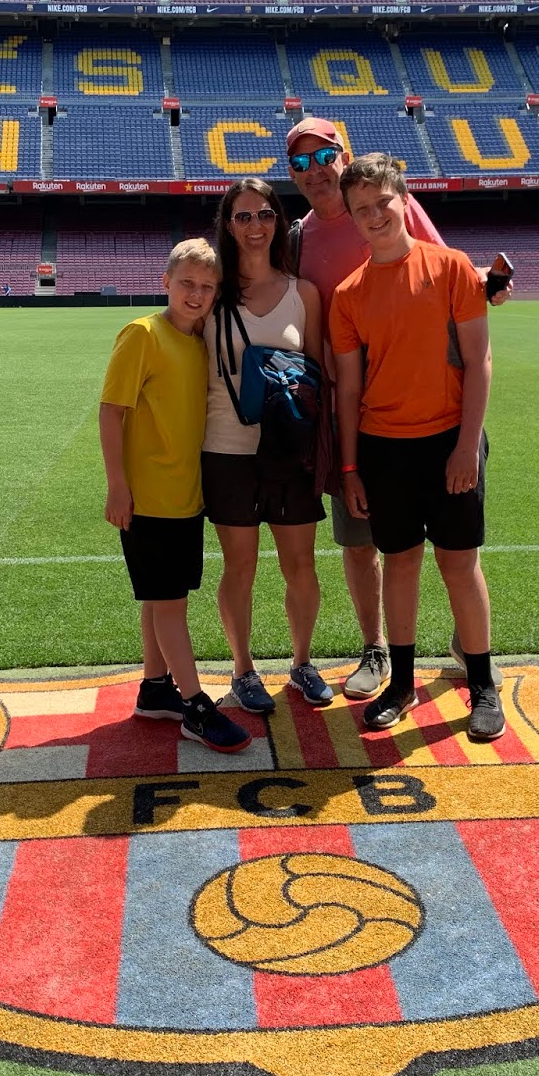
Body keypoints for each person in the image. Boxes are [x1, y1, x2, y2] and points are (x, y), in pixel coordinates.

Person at [328, 154, 502, 741]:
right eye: (361, 208)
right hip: (383, 449)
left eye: (383, 201)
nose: (374, 215)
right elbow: (348, 388)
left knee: (459, 563)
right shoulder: (349, 294)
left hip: (450, 439)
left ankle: (482, 684)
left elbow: (478, 361)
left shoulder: (451, 268)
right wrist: (350, 467)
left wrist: (465, 446)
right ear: (351, 216)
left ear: (404, 200)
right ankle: (401, 684)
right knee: (400, 563)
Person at [99, 238, 250, 753]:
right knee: (170, 605)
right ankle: (195, 706)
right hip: (148, 500)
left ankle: (155, 689)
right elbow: (111, 411)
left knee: (160, 597)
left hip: (185, 497)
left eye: (207, 287)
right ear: (165, 282)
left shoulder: (197, 343)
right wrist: (118, 486)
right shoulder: (143, 334)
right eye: (187, 283)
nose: (196, 294)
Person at [202, 178, 331, 715]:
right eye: (243, 216)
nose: (255, 225)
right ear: (227, 225)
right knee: (240, 566)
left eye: (265, 214)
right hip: (226, 447)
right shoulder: (211, 292)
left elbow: (318, 375)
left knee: (300, 563)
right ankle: (243, 670)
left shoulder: (304, 294)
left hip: (289, 451)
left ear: (279, 220)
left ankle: (302, 663)